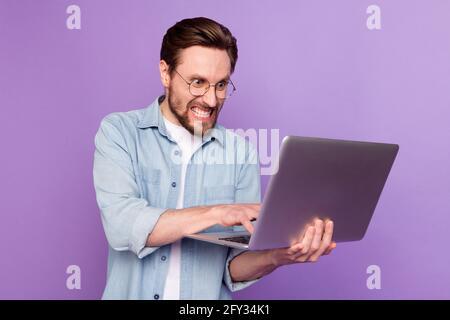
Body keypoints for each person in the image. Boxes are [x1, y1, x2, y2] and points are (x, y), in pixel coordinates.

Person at [93, 16, 336, 300]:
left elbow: (232, 267)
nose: (210, 100)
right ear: (165, 73)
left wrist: (278, 256)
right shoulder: (120, 132)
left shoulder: (241, 153)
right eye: (198, 83)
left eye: (221, 85)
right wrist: (216, 212)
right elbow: (123, 225)